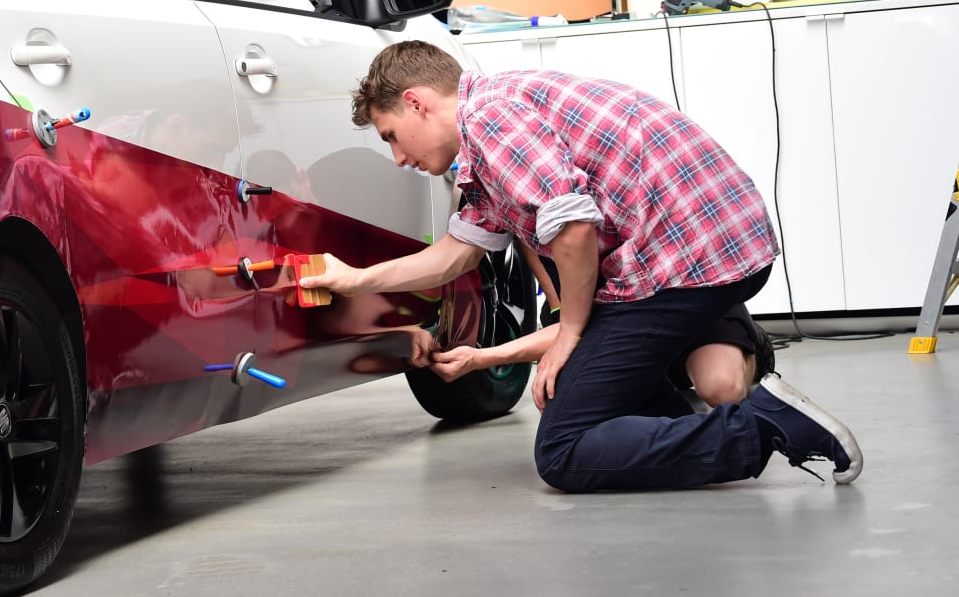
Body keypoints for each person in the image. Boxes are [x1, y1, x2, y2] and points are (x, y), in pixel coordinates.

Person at [300, 40, 862, 492]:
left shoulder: (491, 119)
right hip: (695, 252)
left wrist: (570, 331)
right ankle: (717, 430)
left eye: (393, 136)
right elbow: (455, 255)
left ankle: (763, 426)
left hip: (687, 260)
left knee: (563, 451)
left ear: (418, 102)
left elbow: (571, 227)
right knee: (584, 393)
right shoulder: (495, 121)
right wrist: (355, 279)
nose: (399, 158)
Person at [522, 248, 775, 408]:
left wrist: (485, 358)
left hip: (677, 288)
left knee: (722, 390)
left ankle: (751, 347)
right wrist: (558, 305)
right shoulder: (515, 190)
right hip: (609, 312)